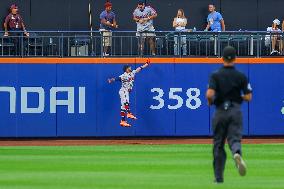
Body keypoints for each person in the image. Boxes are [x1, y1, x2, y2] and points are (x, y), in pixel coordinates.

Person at [206, 46, 252, 183]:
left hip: (220, 111)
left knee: (218, 144)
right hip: (235, 110)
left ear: (222, 58)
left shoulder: (216, 75)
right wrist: (237, 98)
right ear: (235, 59)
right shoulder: (241, 76)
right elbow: (249, 97)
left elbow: (209, 94)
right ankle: (237, 153)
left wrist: (210, 101)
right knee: (234, 139)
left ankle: (218, 178)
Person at [108, 59, 150, 127]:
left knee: (123, 107)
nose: (130, 68)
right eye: (129, 67)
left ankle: (123, 121)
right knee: (126, 102)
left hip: (126, 91)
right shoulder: (124, 75)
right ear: (126, 69)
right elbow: (117, 78)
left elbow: (139, 68)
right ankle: (129, 113)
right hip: (123, 91)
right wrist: (111, 80)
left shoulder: (132, 73)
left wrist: (146, 64)